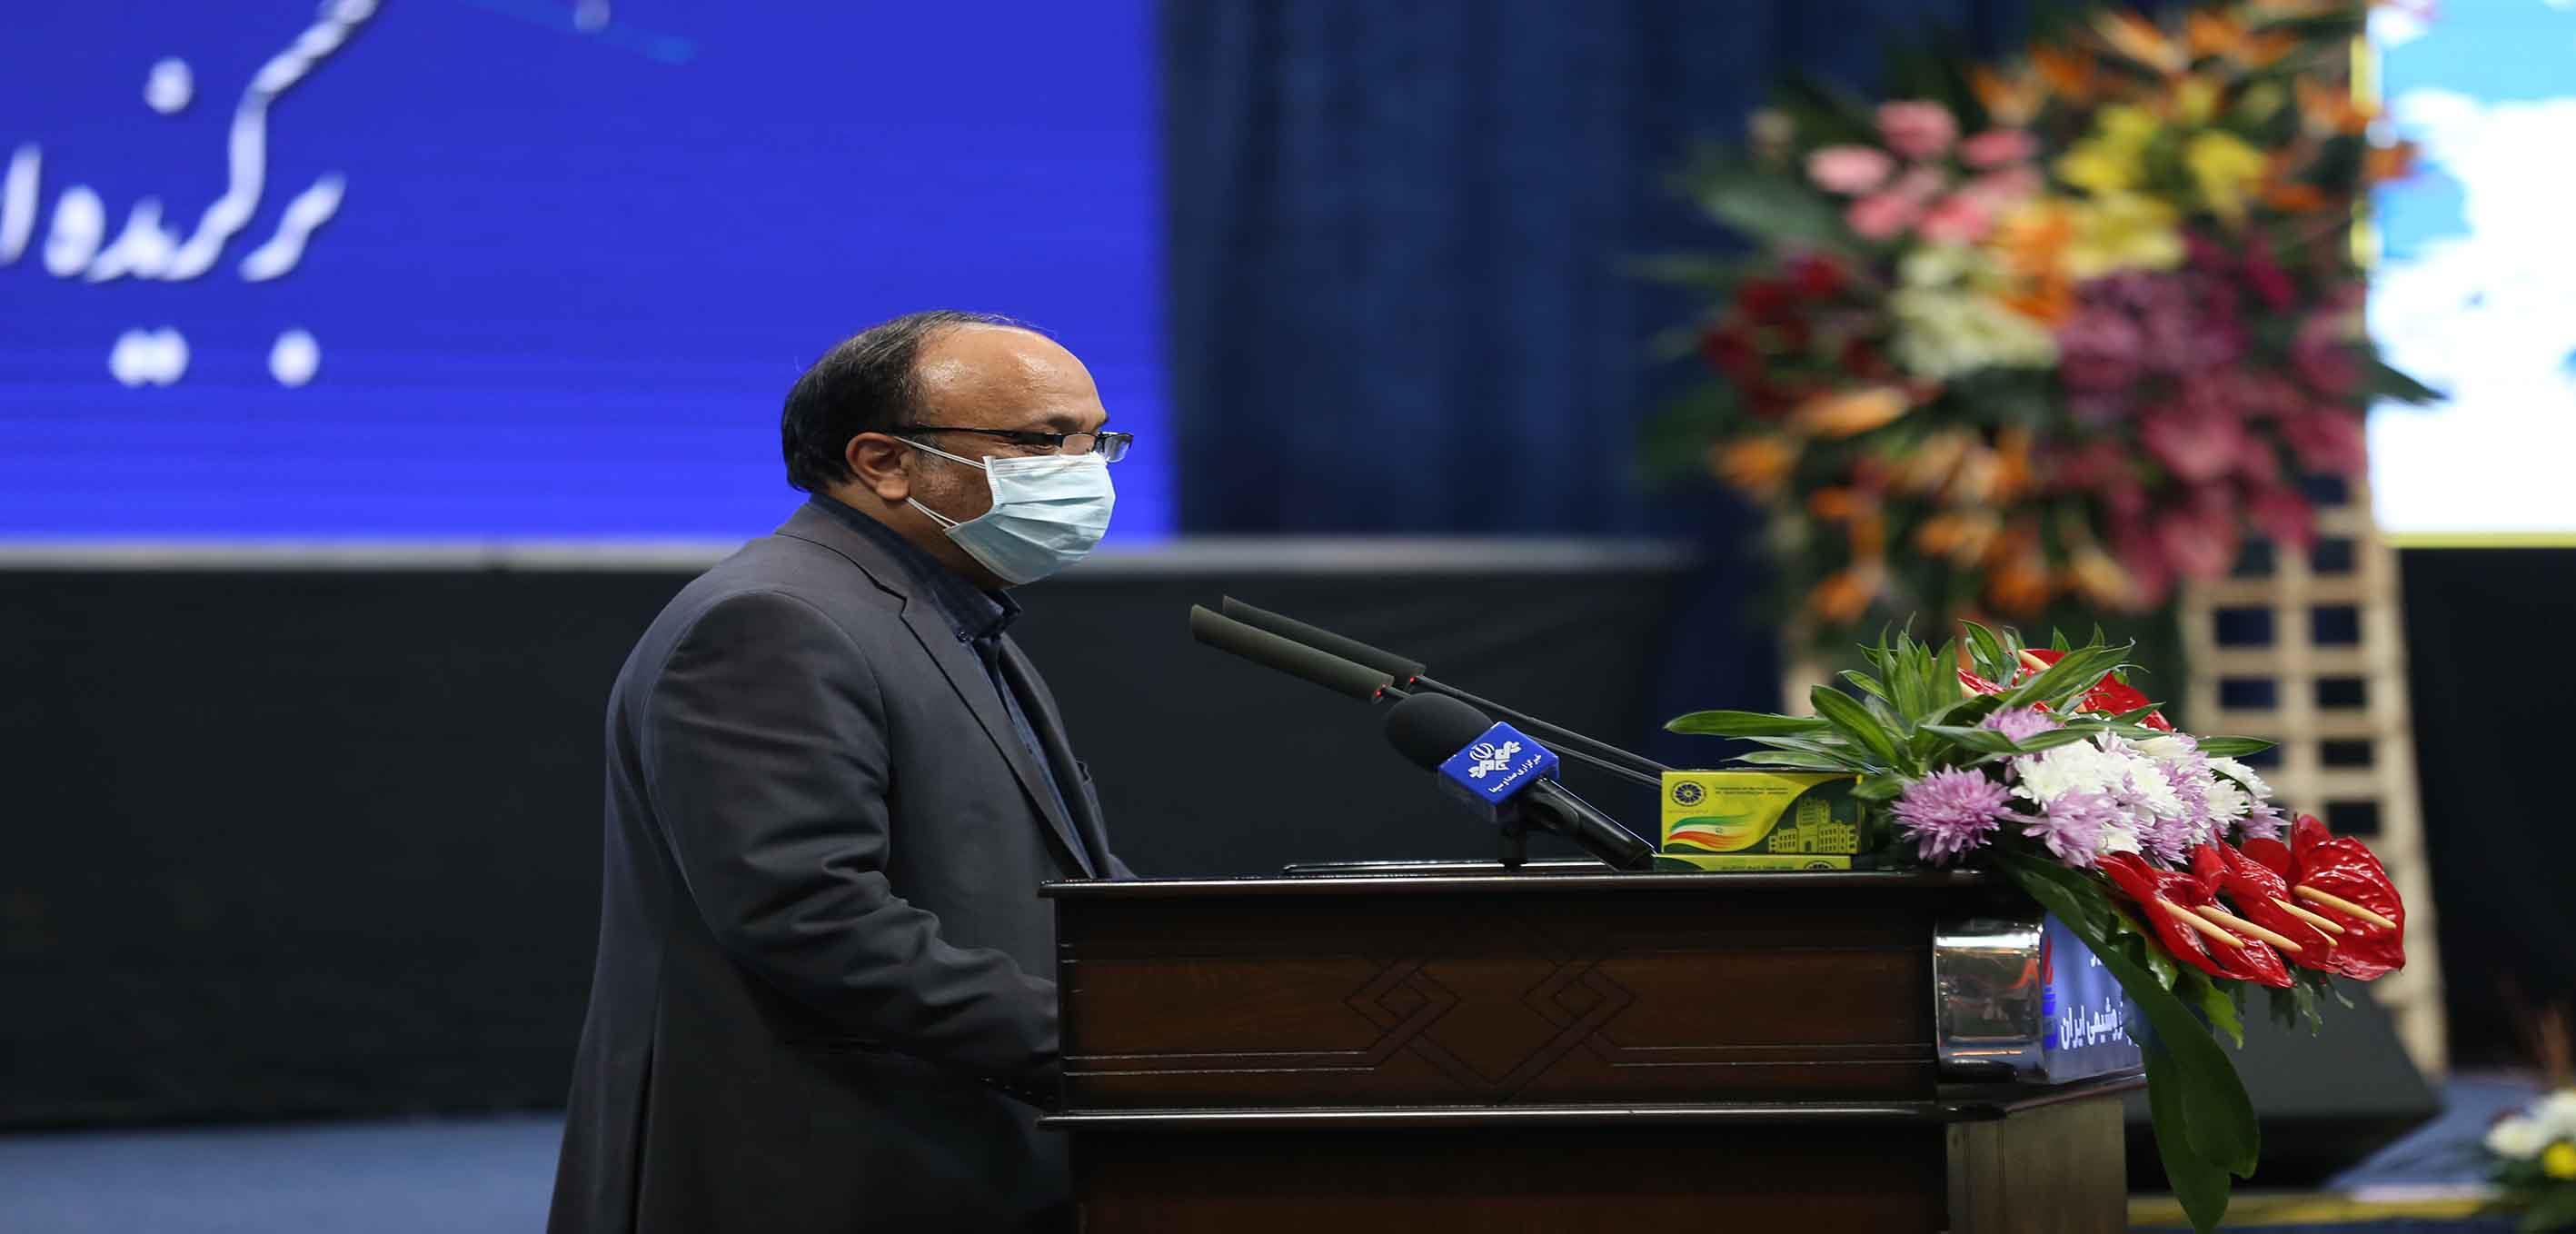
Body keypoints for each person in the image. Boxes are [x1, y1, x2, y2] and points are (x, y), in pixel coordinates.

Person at [548, 311, 1134, 1234]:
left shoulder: (950, 609)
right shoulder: (772, 621)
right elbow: (811, 917)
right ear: (884, 462)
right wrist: (1116, 1042)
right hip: (821, 1166)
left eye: (1095, 440)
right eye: (1039, 441)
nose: (1083, 469)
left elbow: (1060, 874)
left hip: (960, 1153)